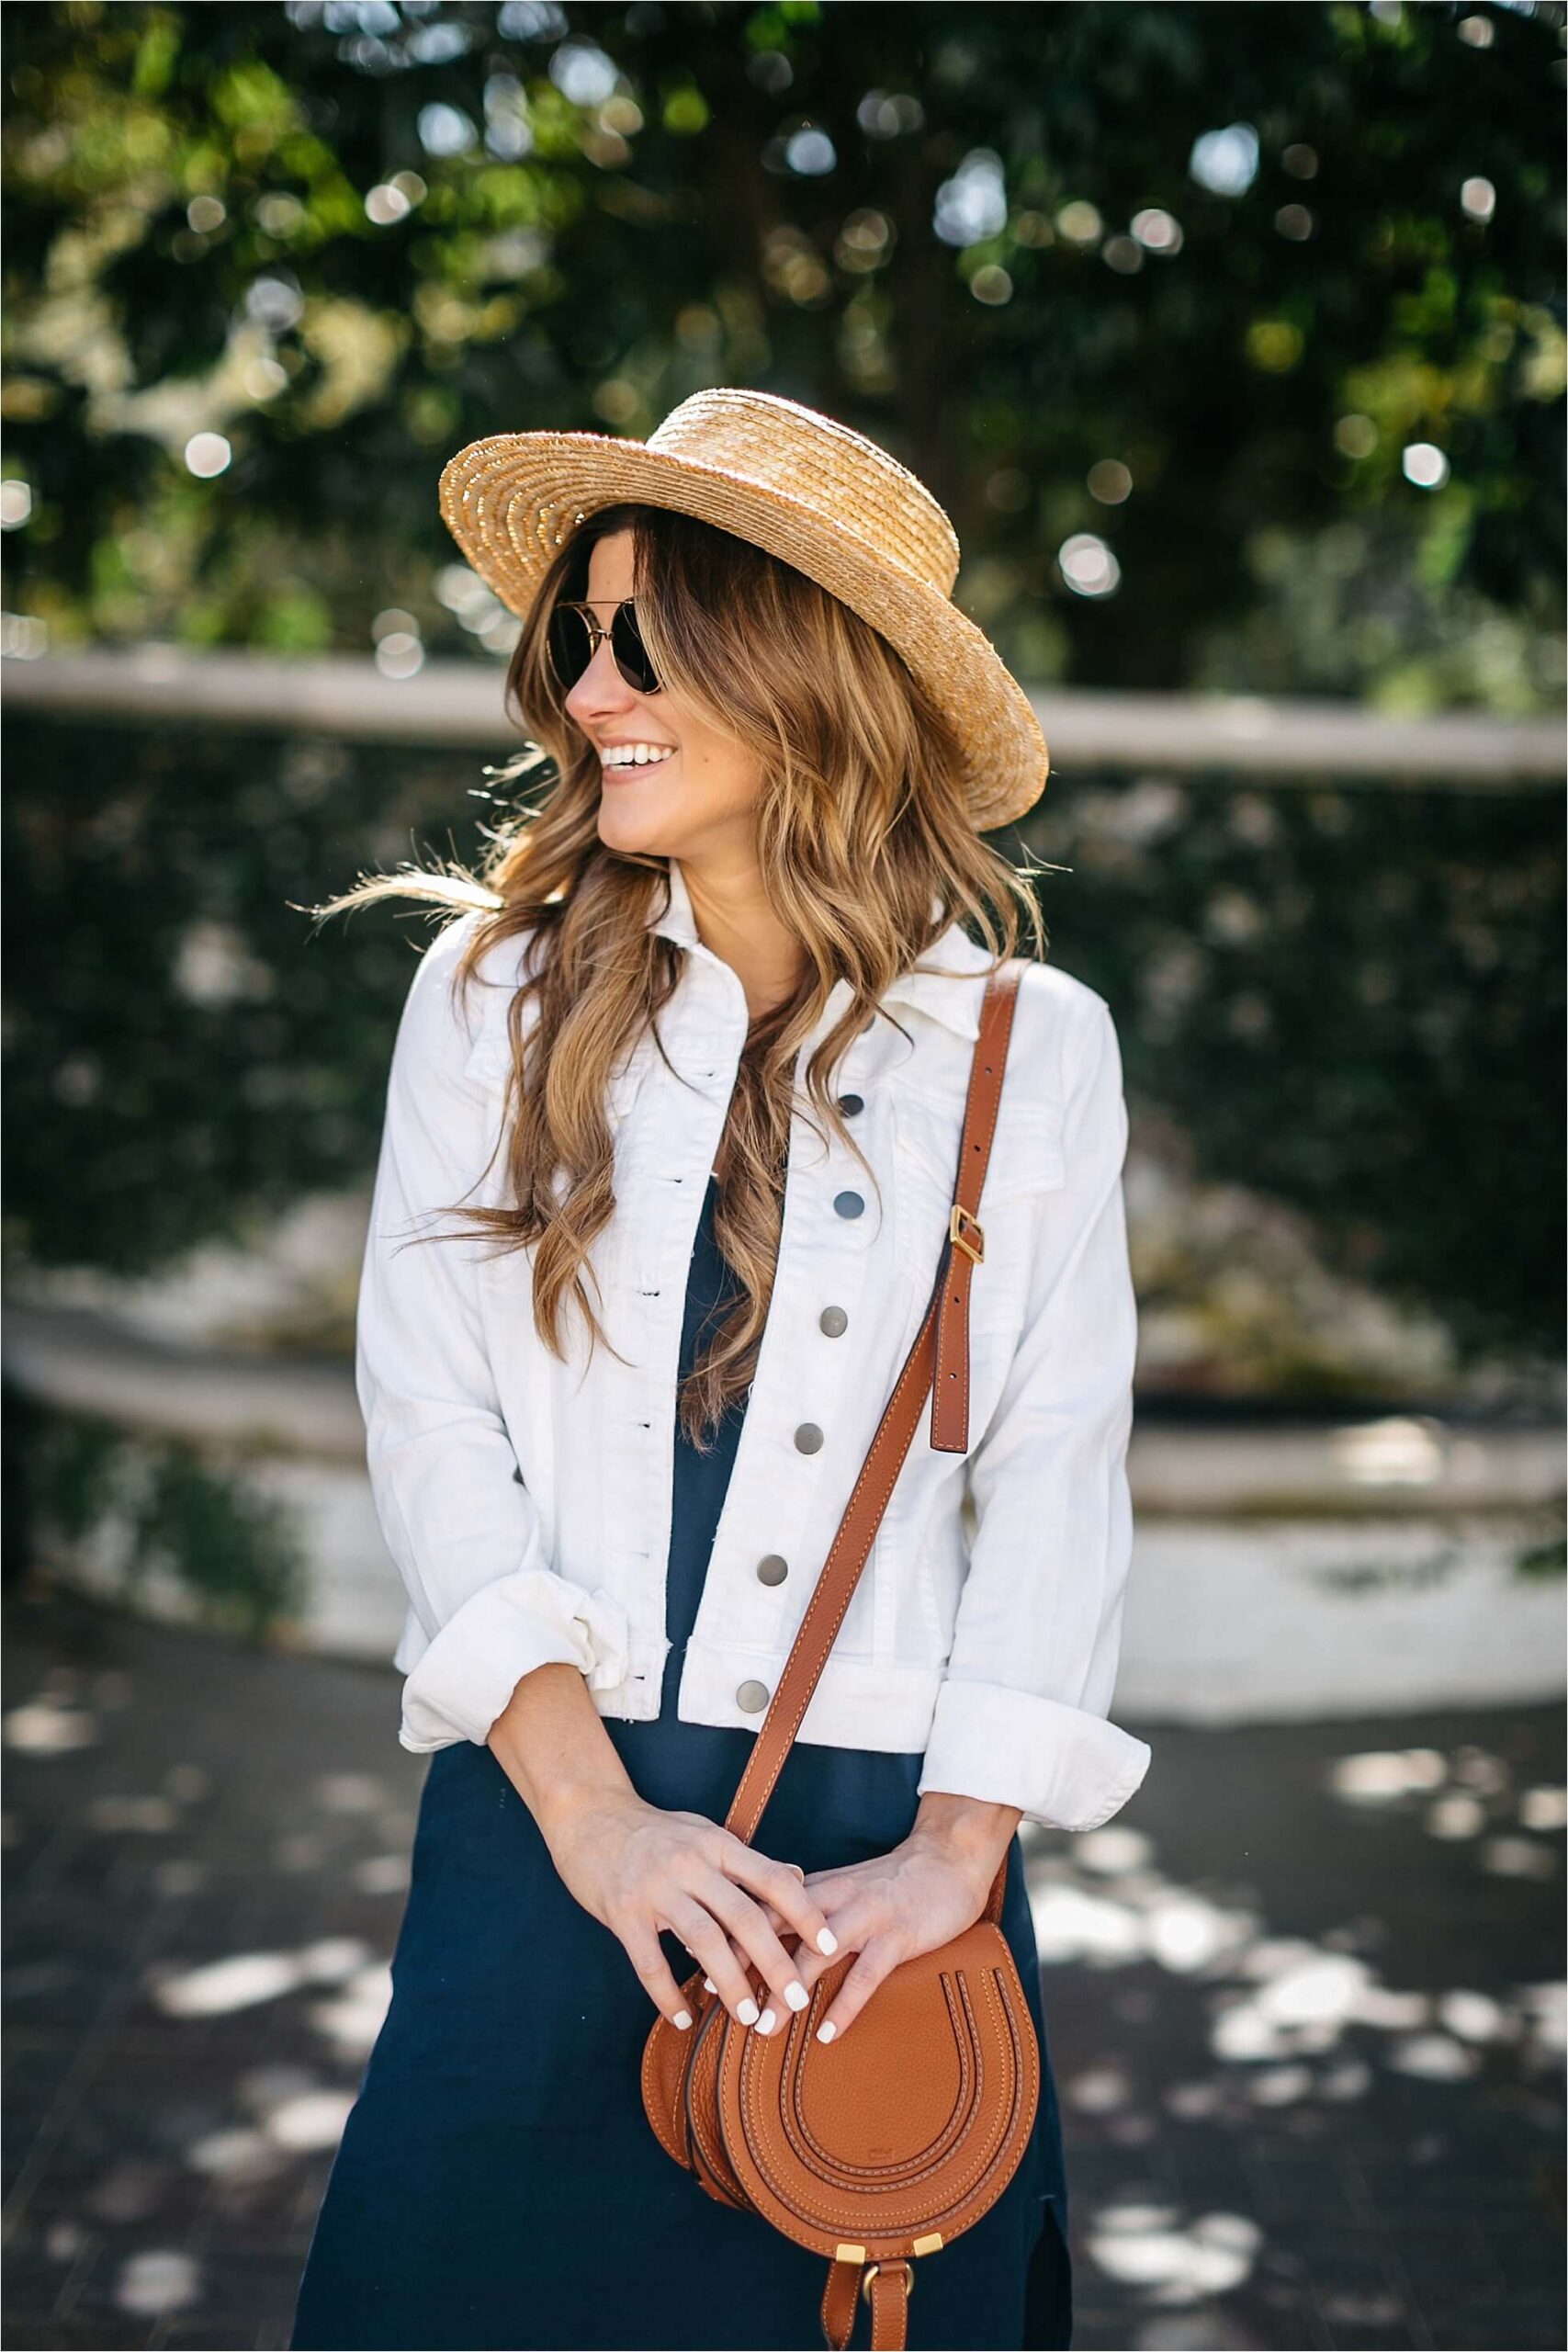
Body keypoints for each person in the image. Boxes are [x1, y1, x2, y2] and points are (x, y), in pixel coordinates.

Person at [288, 389, 1151, 2352]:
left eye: (644, 638)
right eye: (574, 641)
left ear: (802, 673)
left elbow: (1052, 1467)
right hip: (552, 1812)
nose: (590, 688)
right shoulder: (493, 995)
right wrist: (595, 1825)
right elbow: (425, 1413)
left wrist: (954, 1854)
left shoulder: (1030, 1047)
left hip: (878, 1875)